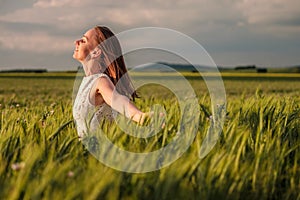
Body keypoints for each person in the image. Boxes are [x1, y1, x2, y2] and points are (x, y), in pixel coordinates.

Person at [72, 26, 147, 138]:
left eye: (83, 41)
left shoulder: (100, 81)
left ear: (96, 52)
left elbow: (117, 100)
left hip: (98, 149)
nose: (76, 42)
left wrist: (140, 116)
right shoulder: (87, 82)